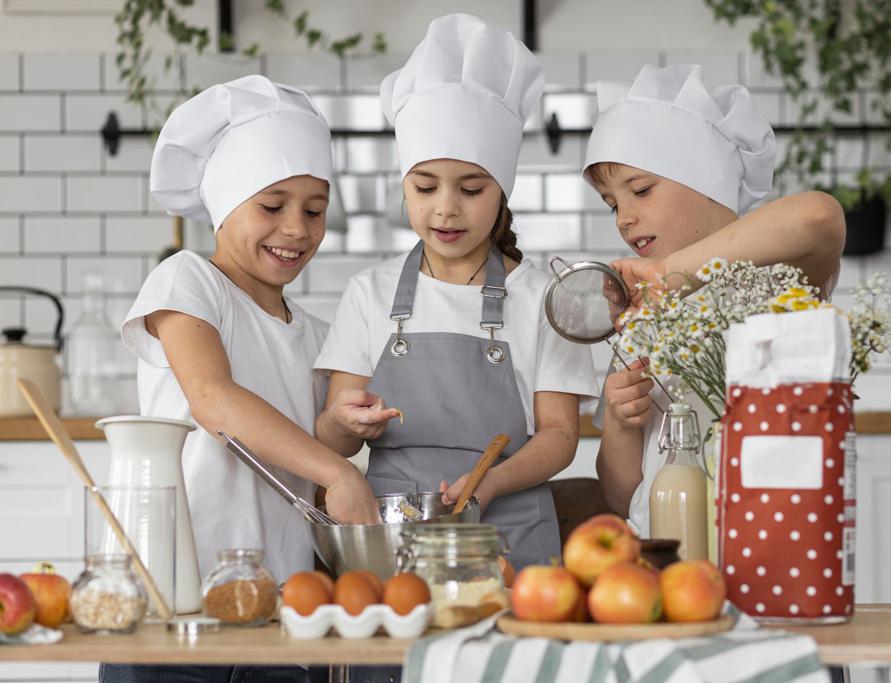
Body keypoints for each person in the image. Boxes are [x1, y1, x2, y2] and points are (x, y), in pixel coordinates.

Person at [101, 75, 377, 683]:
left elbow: (304, 447)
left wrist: (341, 429)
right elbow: (213, 399)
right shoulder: (188, 282)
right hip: (172, 607)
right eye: (272, 207)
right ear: (225, 206)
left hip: (276, 619)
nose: (297, 228)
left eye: (314, 210)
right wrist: (338, 473)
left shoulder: (316, 333)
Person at [314, 13, 599, 571]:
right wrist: (344, 423)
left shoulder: (545, 299)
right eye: (425, 187)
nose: (445, 209)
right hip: (393, 546)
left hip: (512, 541)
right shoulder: (369, 293)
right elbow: (333, 440)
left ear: (502, 192)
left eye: (470, 190)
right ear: (404, 187)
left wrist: (492, 482)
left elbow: (561, 436)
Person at [584, 64, 846, 538]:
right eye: (612, 204)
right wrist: (621, 422)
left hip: (768, 546)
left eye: (641, 190)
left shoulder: (776, 278)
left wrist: (673, 273)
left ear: (708, 181)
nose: (623, 218)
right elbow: (622, 498)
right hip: (670, 555)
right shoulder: (644, 311)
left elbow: (818, 215)